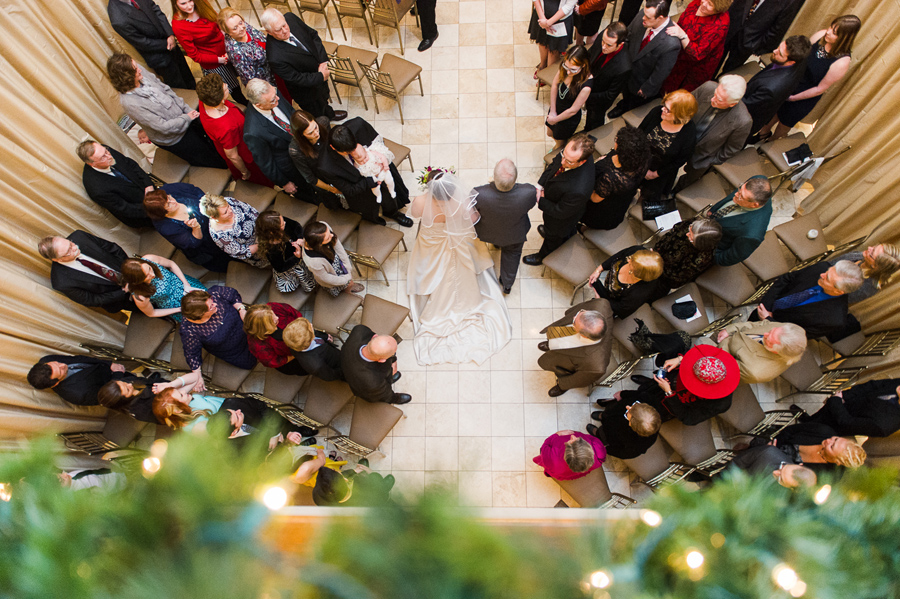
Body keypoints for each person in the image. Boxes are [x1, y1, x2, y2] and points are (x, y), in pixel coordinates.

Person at [408, 172, 513, 365]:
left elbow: (416, 215)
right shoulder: (461, 201)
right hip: (456, 241)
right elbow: (473, 220)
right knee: (465, 269)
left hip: (432, 242)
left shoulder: (420, 201)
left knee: (433, 270)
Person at [107, 53, 225, 169]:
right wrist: (187, 118)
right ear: (127, 77)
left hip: (183, 116)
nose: (140, 69)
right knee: (204, 155)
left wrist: (185, 108)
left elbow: (165, 89)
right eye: (135, 69)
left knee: (209, 140)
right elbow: (163, 126)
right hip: (174, 137)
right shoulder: (130, 103)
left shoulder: (140, 74)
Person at [759, 16, 861, 141]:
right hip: (791, 82)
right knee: (774, 111)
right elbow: (800, 57)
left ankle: (773, 140)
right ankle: (764, 132)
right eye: (831, 27)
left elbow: (820, 89)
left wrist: (793, 98)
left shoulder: (842, 62)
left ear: (844, 38)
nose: (828, 32)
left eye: (834, 32)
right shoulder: (820, 36)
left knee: (785, 122)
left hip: (804, 96)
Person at [608, 345, 739, 425]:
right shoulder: (716, 362)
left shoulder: (721, 403)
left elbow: (688, 418)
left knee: (647, 402)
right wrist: (681, 359)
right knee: (649, 389)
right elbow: (695, 353)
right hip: (670, 380)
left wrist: (669, 392)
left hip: (670, 402)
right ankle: (649, 383)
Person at [319, 121, 414, 226]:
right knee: (369, 207)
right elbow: (348, 190)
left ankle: (393, 213)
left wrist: (377, 161)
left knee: (389, 194)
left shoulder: (359, 126)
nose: (352, 153)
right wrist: (371, 180)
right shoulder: (326, 166)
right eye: (347, 152)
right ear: (333, 147)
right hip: (359, 186)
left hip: (377, 169)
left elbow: (379, 143)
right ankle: (375, 219)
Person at [261, 8, 346, 121]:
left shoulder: (290, 18)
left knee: (324, 97)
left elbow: (313, 35)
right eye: (278, 30)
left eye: (284, 25)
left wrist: (322, 61)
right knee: (317, 114)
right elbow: (297, 78)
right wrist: (320, 76)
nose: (285, 30)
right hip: (306, 91)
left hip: (319, 73)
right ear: (269, 32)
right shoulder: (274, 56)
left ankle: (330, 114)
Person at [523, 133, 596, 265]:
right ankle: (549, 231)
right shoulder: (569, 155)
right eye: (564, 155)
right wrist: (540, 185)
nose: (563, 162)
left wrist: (540, 199)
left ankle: (543, 256)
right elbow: (554, 164)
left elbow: (559, 212)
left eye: (568, 161)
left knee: (554, 237)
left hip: (562, 219)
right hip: (556, 201)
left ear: (582, 161)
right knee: (550, 228)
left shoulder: (579, 189)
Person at [753, 260, 864, 341]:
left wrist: (768, 320)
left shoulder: (834, 320)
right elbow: (787, 278)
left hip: (772, 333)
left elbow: (797, 336)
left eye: (828, 278)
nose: (822, 274)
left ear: (838, 291)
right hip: (765, 308)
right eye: (828, 271)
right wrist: (765, 306)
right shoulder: (822, 267)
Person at [473, 159, 538, 294]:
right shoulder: (529, 192)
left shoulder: (478, 193)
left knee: (497, 240)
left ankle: (496, 244)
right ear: (515, 178)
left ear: (493, 178)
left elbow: (474, 213)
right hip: (515, 235)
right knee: (512, 255)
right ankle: (507, 284)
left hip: (489, 232)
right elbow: (531, 205)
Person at [196, 73, 272, 186]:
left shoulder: (205, 101)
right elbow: (233, 156)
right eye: (224, 87)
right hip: (246, 153)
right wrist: (245, 172)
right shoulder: (226, 127)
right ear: (220, 100)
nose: (226, 85)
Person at [608, 0, 681, 118]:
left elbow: (661, 72)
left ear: (660, 18)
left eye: (648, 17)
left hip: (641, 81)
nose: (643, 18)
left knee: (634, 103)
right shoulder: (643, 14)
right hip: (628, 71)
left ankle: (626, 111)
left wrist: (647, 88)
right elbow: (629, 34)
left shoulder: (671, 44)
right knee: (626, 94)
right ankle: (622, 106)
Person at [677, 75, 752, 188]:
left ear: (732, 104)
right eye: (715, 93)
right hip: (682, 140)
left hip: (702, 156)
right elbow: (684, 105)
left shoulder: (743, 121)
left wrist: (710, 161)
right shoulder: (708, 87)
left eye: (719, 100)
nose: (713, 99)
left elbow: (731, 149)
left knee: (688, 181)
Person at [179, 287, 257, 391]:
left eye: (212, 301)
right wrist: (197, 377)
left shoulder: (215, 293)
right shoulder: (189, 330)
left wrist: (241, 309)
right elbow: (192, 354)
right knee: (251, 362)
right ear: (200, 315)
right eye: (211, 306)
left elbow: (233, 294)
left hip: (245, 328)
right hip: (234, 351)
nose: (215, 304)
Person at [108, 0, 196, 90]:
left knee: (188, 76)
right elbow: (142, 42)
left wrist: (170, 34)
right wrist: (167, 43)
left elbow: (155, 9)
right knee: (180, 86)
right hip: (160, 57)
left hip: (171, 42)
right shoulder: (118, 19)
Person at [243, 79, 308, 198]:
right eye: (273, 100)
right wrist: (284, 183)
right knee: (306, 190)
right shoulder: (253, 132)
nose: (278, 99)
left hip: (303, 147)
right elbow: (265, 163)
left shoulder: (273, 95)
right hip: (291, 164)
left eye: (276, 94)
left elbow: (291, 112)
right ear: (259, 105)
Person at [171, 0, 247, 103]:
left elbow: (217, 21)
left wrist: (229, 41)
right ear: (175, 4)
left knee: (244, 73)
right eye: (183, 3)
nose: (189, 6)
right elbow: (195, 55)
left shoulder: (203, 4)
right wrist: (221, 59)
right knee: (234, 88)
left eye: (190, 0)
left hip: (227, 49)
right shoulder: (179, 25)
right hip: (214, 62)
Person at [38, 231, 132, 313]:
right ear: (57, 260)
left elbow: (113, 249)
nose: (74, 248)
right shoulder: (61, 282)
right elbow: (92, 300)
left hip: (129, 271)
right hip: (120, 298)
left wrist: (131, 269)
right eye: (68, 251)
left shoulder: (80, 236)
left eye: (70, 243)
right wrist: (123, 291)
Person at [143, 186, 233, 272]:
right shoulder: (166, 227)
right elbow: (194, 243)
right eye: (168, 205)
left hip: (215, 222)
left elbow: (194, 190)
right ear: (163, 213)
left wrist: (208, 205)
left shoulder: (170, 189)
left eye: (169, 198)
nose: (173, 202)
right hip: (207, 243)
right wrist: (196, 228)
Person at [537, 299, 614, 397]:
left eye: (574, 322)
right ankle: (551, 345)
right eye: (579, 313)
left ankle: (561, 386)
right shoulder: (602, 304)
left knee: (561, 369)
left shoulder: (596, 366)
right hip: (564, 335)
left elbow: (578, 379)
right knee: (558, 337)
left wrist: (564, 384)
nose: (574, 317)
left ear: (584, 336)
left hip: (569, 361)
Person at [580, 125, 650, 231]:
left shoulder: (610, 177)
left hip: (603, 209)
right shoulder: (645, 159)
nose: (615, 141)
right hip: (623, 198)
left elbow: (595, 198)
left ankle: (584, 229)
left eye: (617, 140)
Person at [743, 35, 812, 140]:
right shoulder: (800, 60)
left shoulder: (772, 88)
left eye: (780, 53)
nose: (774, 51)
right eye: (779, 47)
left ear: (791, 62)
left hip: (749, 116)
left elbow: (747, 106)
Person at [218, 6, 292, 103]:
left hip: (275, 65)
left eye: (241, 22)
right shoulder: (237, 53)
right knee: (282, 101)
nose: (241, 28)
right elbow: (252, 80)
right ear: (228, 32)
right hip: (269, 80)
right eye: (235, 28)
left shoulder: (244, 27)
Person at [637, 89, 698, 204]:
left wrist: (655, 174)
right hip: (639, 160)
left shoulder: (689, 134)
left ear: (680, 114)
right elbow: (639, 133)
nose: (662, 109)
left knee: (647, 198)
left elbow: (679, 161)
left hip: (659, 171)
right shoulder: (656, 113)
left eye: (668, 109)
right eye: (664, 105)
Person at [660, 0, 732, 94]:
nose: (704, 4)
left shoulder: (720, 25)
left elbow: (697, 54)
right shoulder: (697, 2)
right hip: (679, 54)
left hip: (694, 68)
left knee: (677, 92)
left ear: (718, 9)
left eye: (710, 4)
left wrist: (683, 36)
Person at [77, 141, 153, 228]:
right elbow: (125, 209)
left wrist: (149, 185)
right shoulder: (96, 189)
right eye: (102, 158)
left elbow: (131, 165)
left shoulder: (104, 151)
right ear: (91, 164)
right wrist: (154, 207)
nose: (109, 156)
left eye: (106, 151)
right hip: (141, 212)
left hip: (148, 191)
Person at [719, 0, 803, 74]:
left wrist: (757, 46)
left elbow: (778, 29)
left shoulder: (791, 2)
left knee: (728, 73)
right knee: (713, 62)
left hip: (750, 40)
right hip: (730, 23)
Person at [706, 175, 772, 266]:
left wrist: (706, 256)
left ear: (754, 205)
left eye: (741, 196)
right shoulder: (758, 181)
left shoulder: (752, 235)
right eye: (740, 189)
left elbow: (728, 258)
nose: (736, 194)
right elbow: (731, 197)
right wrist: (713, 210)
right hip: (710, 221)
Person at [712, 320, 807, 384]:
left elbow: (724, 365)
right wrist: (729, 330)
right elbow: (760, 325)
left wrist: (724, 341)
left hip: (717, 356)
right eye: (771, 331)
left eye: (769, 340)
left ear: (776, 351)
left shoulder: (756, 372)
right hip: (729, 335)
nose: (765, 334)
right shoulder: (790, 330)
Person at [800, 378, 900, 438]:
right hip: (845, 401)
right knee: (819, 415)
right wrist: (844, 396)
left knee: (810, 430)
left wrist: (836, 401)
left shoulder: (884, 426)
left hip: (836, 422)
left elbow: (847, 422)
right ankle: (807, 419)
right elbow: (872, 385)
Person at [120, 255, 206, 322]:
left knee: (209, 299)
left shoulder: (149, 259)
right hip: (177, 304)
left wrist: (186, 283)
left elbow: (171, 264)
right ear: (137, 281)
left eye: (149, 268)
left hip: (184, 284)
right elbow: (152, 313)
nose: (152, 274)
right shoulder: (140, 295)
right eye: (146, 276)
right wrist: (179, 309)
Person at [340, 324, 412, 404]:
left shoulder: (359, 330)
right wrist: (392, 369)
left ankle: (389, 379)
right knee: (384, 393)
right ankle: (394, 398)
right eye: (393, 354)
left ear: (374, 337)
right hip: (366, 389)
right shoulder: (373, 382)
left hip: (349, 365)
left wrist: (393, 361)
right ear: (381, 360)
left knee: (385, 380)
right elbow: (383, 394)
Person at [98, 371, 203, 423]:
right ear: (123, 400)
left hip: (172, 391)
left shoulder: (128, 381)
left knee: (194, 380)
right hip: (177, 406)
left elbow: (150, 382)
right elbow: (170, 412)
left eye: (123, 382)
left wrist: (168, 385)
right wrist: (170, 389)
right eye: (128, 389)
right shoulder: (141, 410)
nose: (129, 384)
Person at [588, 246, 664, 318]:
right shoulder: (637, 251)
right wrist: (599, 269)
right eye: (631, 258)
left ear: (638, 274)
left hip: (611, 302)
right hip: (607, 291)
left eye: (632, 264)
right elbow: (619, 255)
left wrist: (600, 298)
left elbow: (620, 309)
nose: (628, 260)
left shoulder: (639, 293)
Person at [288, 110, 345, 208]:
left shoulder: (323, 122)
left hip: (334, 167)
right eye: (310, 133)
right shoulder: (296, 150)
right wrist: (332, 189)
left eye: (315, 127)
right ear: (301, 135)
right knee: (333, 205)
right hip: (321, 178)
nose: (316, 133)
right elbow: (310, 178)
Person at [27, 355, 132, 406]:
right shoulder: (78, 394)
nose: (63, 365)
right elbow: (110, 397)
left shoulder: (45, 360)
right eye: (61, 370)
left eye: (57, 363)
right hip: (119, 385)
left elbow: (78, 358)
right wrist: (118, 374)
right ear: (56, 383)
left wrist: (109, 364)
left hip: (106, 367)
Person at [764, 422, 867, 474]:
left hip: (777, 468)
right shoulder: (824, 431)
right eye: (836, 439)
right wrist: (774, 446)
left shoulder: (826, 474)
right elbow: (790, 430)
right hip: (775, 439)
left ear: (837, 461)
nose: (828, 440)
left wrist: (774, 455)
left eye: (831, 446)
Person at [583, 22, 632, 130]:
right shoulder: (604, 37)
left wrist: (586, 96)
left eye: (609, 45)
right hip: (589, 81)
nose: (603, 47)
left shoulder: (624, 67)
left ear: (620, 44)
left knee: (594, 121)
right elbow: (591, 52)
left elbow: (610, 94)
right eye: (603, 42)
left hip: (599, 99)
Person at [200, 194, 270, 268]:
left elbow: (250, 210)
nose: (231, 210)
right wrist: (265, 243)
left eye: (228, 206)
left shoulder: (227, 201)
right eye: (225, 212)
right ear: (213, 217)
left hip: (263, 228)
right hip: (259, 248)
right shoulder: (220, 236)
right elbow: (243, 252)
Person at [255, 210, 316, 293]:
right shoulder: (272, 250)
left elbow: (296, 225)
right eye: (282, 225)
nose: (284, 222)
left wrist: (300, 237)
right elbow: (280, 267)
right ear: (273, 232)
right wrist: (296, 257)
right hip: (291, 262)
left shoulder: (279, 221)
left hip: (298, 248)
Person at [652, 217, 722, 290]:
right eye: (690, 229)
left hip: (664, 273)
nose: (687, 234)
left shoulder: (701, 259)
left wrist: (656, 265)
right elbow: (673, 231)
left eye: (691, 238)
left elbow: (676, 276)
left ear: (699, 244)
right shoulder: (693, 223)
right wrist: (657, 249)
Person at [546, 46, 595, 150]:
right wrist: (553, 111)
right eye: (566, 67)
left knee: (559, 139)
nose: (568, 72)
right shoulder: (565, 67)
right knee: (550, 133)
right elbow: (555, 85)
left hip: (567, 118)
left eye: (573, 69)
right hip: (556, 108)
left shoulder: (586, 85)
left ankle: (556, 151)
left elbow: (573, 110)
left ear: (583, 66)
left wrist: (555, 119)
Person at [243, 303, 308, 376]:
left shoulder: (273, 308)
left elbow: (295, 314)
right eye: (273, 321)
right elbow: (276, 361)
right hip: (291, 359)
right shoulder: (258, 346)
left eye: (274, 314)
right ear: (264, 329)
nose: (277, 318)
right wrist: (297, 353)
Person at [301, 221, 364, 295]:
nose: (332, 235)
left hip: (334, 259)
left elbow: (338, 247)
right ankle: (347, 289)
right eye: (328, 238)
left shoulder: (323, 227)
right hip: (331, 273)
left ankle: (349, 285)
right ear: (319, 245)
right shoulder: (314, 262)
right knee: (344, 285)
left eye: (329, 232)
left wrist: (347, 267)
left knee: (348, 278)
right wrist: (346, 279)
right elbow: (327, 278)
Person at [828, 243, 900, 304]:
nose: (869, 248)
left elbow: (836, 299)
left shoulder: (866, 289)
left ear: (874, 266)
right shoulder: (862, 256)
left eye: (872, 253)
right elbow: (830, 264)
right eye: (874, 247)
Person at [587, 400, 661, 459]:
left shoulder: (637, 446)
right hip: (612, 416)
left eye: (627, 414)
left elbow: (622, 453)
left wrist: (608, 450)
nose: (628, 407)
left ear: (630, 424)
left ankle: (598, 434)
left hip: (610, 433)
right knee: (607, 414)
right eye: (635, 404)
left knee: (602, 434)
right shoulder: (651, 410)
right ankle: (602, 416)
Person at [728, 445, 818, 489]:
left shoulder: (784, 500)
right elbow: (735, 463)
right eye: (782, 467)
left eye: (780, 479)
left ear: (792, 489)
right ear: (799, 464)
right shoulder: (767, 453)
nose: (775, 472)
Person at [528, 0, 577, 80]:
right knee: (542, 43)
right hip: (541, 16)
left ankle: (547, 73)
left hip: (560, 20)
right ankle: (542, 66)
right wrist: (542, 19)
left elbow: (568, 6)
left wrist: (548, 23)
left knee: (554, 50)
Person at [282, 317, 344, 381]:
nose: (311, 324)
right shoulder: (315, 366)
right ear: (310, 337)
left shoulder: (297, 342)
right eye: (310, 327)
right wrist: (345, 370)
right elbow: (330, 376)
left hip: (335, 353)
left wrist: (325, 337)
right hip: (339, 367)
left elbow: (315, 334)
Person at [533, 430, 607, 480]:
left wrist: (557, 434)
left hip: (559, 472)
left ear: (566, 455)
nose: (573, 436)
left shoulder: (552, 458)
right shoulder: (599, 452)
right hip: (573, 473)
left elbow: (545, 445)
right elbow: (589, 437)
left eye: (570, 443)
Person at [349, 137, 397, 206]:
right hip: (373, 176)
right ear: (355, 159)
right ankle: (378, 195)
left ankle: (392, 190)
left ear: (366, 151)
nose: (364, 161)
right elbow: (360, 172)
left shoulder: (372, 153)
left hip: (382, 170)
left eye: (365, 157)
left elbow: (382, 157)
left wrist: (386, 165)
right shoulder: (356, 164)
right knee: (374, 188)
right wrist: (375, 179)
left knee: (390, 180)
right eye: (361, 161)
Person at [152, 386, 226, 431]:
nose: (184, 391)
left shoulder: (187, 402)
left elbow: (195, 377)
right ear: (178, 410)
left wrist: (170, 385)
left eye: (179, 390)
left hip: (226, 403)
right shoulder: (197, 426)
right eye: (181, 395)